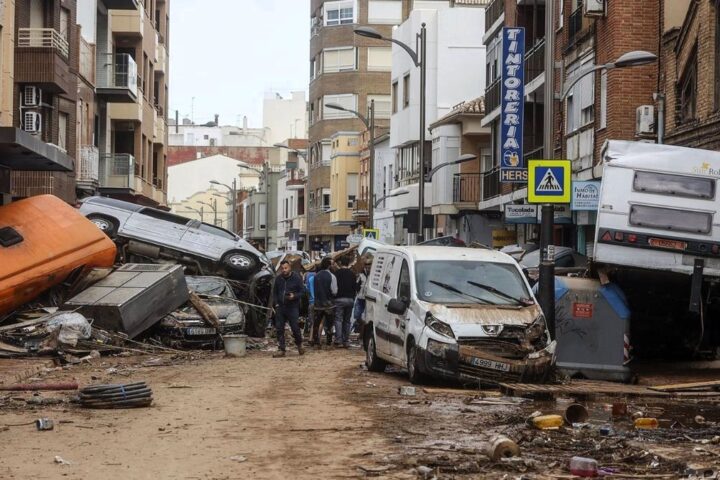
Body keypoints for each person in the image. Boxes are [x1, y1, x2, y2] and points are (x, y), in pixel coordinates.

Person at [272, 260, 305, 358]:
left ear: (290, 267)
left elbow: (302, 292)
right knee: (279, 328)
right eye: (282, 268)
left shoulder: (296, 278)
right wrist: (276, 304)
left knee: (295, 327)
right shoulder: (278, 279)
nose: (284, 270)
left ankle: (299, 345)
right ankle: (281, 349)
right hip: (281, 307)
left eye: (286, 268)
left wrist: (294, 296)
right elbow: (275, 293)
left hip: (292, 307)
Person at [312, 257, 337, 347]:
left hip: (318, 304)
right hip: (329, 304)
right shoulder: (332, 276)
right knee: (329, 324)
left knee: (317, 323)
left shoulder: (316, 276)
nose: (334, 266)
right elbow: (334, 291)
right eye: (332, 264)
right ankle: (328, 341)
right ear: (329, 265)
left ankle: (316, 340)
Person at [333, 257, 356, 348]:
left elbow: (334, 287)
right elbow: (355, 287)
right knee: (347, 320)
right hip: (350, 299)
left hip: (339, 299)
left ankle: (338, 339)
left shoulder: (336, 274)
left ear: (340, 263)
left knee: (338, 319)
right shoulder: (352, 274)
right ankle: (346, 340)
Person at [352, 261, 371, 333]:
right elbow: (357, 285)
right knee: (356, 315)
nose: (368, 268)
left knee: (366, 316)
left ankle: (362, 333)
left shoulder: (373, 275)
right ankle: (360, 326)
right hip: (360, 297)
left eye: (369, 266)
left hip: (368, 298)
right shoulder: (361, 275)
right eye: (367, 266)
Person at [303, 269, 316, 336]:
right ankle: (315, 337)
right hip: (319, 302)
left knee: (312, 320)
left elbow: (307, 290)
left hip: (311, 301)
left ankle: (311, 336)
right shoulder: (317, 277)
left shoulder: (308, 277)